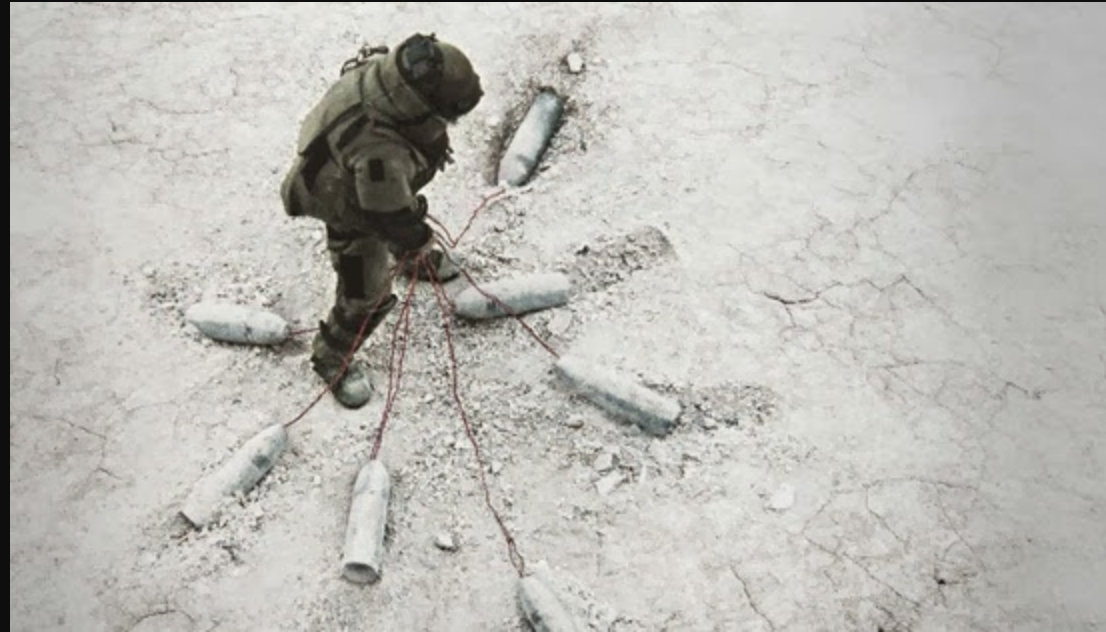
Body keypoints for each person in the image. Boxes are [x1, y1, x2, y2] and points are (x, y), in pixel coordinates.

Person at [279, 32, 483, 409]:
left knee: (400, 214)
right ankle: (331, 357)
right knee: (364, 289)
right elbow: (387, 214)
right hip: (346, 203)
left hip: (363, 181)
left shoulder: (391, 76)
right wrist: (416, 239)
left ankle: (409, 260)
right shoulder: (380, 155)